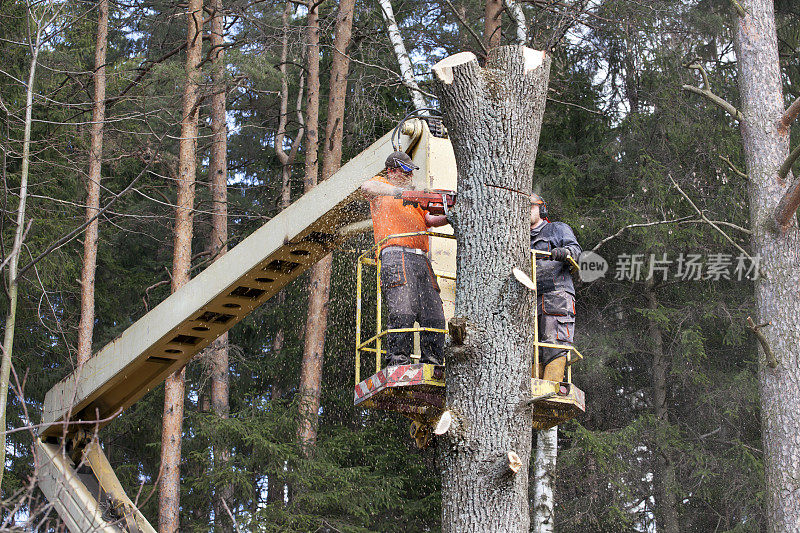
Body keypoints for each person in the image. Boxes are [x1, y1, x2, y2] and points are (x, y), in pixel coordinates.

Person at [361, 151, 450, 367]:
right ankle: (398, 359)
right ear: (391, 171)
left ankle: (433, 360)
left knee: (434, 315)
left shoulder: (415, 197)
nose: (410, 175)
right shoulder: (381, 185)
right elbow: (366, 187)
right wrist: (400, 192)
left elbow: (429, 219)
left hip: (421, 258)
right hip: (395, 254)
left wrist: (450, 215)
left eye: (411, 171)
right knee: (403, 309)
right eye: (405, 170)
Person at [530, 193, 582, 382]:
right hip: (529, 295)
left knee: (554, 343)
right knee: (531, 349)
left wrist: (565, 252)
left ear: (542, 209)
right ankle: (533, 385)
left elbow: (576, 251)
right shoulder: (517, 236)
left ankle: (551, 385)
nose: (526, 212)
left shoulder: (556, 229)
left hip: (555, 293)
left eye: (531, 207)